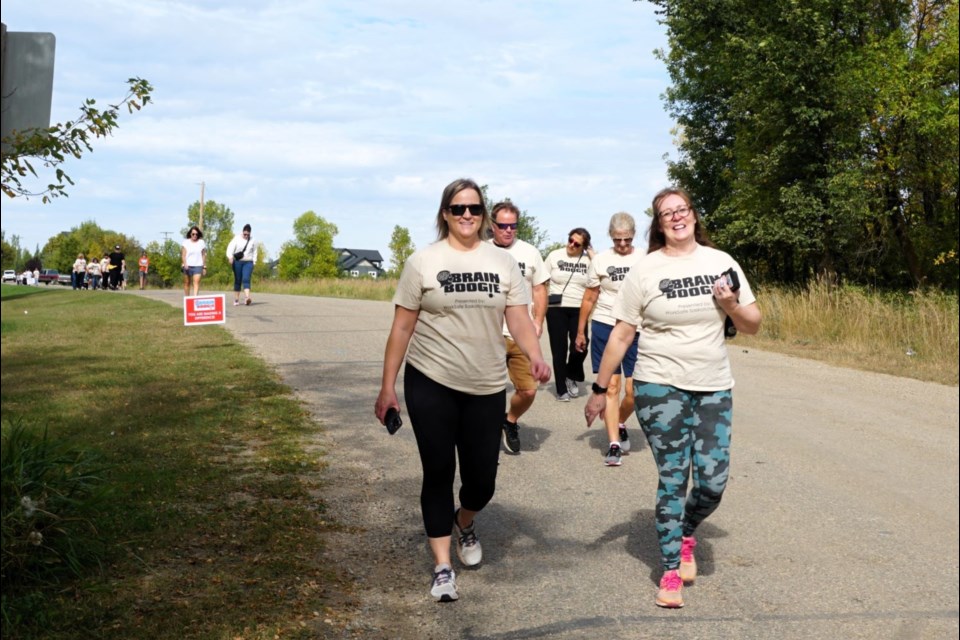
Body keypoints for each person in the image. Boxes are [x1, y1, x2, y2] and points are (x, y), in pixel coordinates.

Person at [374, 178, 550, 603]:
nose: (466, 215)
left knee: (482, 481)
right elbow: (402, 326)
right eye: (458, 209)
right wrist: (387, 388)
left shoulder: (503, 262)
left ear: (483, 214)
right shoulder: (423, 262)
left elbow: (520, 317)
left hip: (486, 384)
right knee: (437, 472)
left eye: (473, 208)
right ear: (445, 214)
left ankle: (464, 520)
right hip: (430, 380)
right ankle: (441, 567)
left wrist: (535, 354)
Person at [584, 187, 761, 609]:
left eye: (682, 210)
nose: (677, 218)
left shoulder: (722, 262)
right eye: (667, 214)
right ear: (659, 224)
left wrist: (732, 304)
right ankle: (669, 569)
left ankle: (686, 530)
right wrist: (598, 388)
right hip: (658, 385)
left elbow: (752, 324)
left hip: (714, 384)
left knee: (713, 483)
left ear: (694, 216)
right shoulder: (646, 270)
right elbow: (623, 332)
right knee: (673, 476)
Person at [575, 212, 645, 466]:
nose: (623, 245)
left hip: (637, 328)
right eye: (617, 240)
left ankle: (620, 421)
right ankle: (614, 444)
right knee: (611, 387)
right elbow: (590, 297)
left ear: (633, 235)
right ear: (611, 237)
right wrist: (581, 330)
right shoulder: (601, 260)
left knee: (634, 390)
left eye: (626, 240)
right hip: (605, 324)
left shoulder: (646, 258)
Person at [488, 201, 549, 455]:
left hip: (520, 335)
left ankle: (510, 420)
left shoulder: (530, 252)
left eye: (513, 225)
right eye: (503, 225)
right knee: (485, 391)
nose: (508, 230)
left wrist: (538, 320)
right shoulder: (481, 251)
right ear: (493, 226)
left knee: (528, 390)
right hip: (488, 334)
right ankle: (483, 431)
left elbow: (539, 288)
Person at [544, 227, 593, 400]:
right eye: (570, 240)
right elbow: (541, 282)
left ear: (584, 246)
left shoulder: (589, 260)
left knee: (580, 347)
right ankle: (560, 388)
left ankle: (570, 375)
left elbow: (600, 274)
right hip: (556, 308)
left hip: (579, 308)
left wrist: (592, 255)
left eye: (577, 243)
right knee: (559, 350)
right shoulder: (554, 255)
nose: (571, 245)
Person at [226, 224, 257, 306]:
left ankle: (247, 298)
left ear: (250, 233)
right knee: (238, 280)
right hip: (237, 262)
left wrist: (254, 262)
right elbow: (230, 248)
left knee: (246, 279)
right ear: (242, 232)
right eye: (245, 234)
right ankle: (236, 299)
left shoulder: (253, 240)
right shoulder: (237, 238)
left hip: (248, 262)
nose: (246, 236)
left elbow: (255, 251)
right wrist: (230, 257)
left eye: (248, 234)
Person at [181, 226, 207, 296]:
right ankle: (187, 299)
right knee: (187, 283)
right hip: (187, 265)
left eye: (196, 234)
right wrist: (185, 263)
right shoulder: (186, 242)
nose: (195, 235)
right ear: (190, 234)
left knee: (196, 282)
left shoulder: (201, 242)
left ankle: (195, 299)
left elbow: (203, 255)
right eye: (193, 234)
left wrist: (204, 267)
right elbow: (183, 255)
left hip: (198, 265)